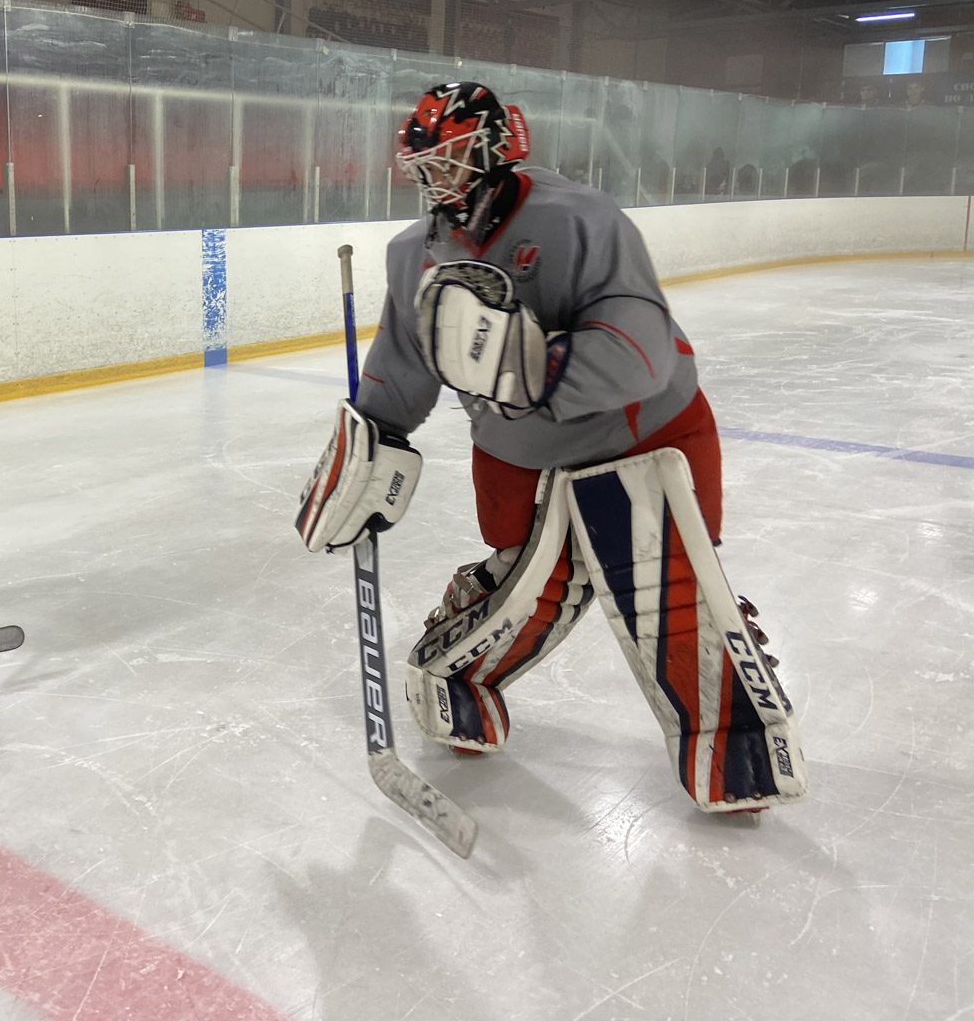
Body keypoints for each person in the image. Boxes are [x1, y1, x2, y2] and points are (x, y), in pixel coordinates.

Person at [295, 82, 808, 817]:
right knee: (518, 592)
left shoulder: (582, 220)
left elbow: (644, 353)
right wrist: (368, 450)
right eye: (428, 164)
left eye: (457, 158)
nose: (441, 179)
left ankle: (738, 743)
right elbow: (401, 369)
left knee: (672, 595)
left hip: (643, 434)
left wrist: (532, 365)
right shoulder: (415, 256)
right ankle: (455, 682)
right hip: (516, 454)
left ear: (501, 147)